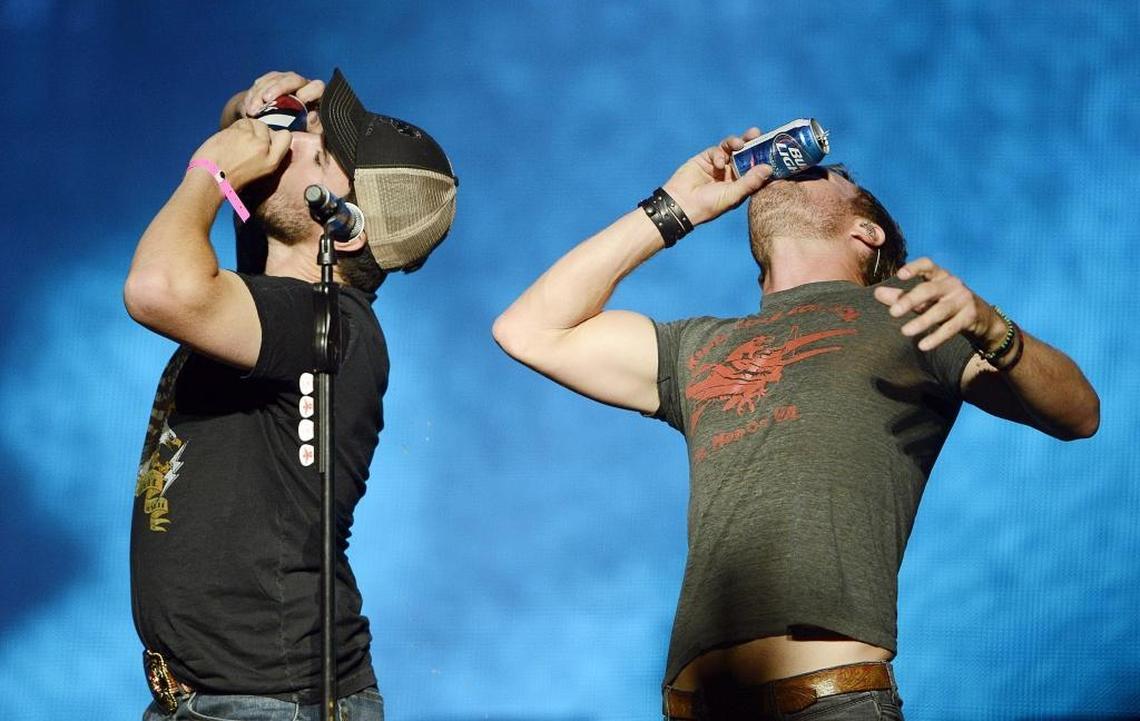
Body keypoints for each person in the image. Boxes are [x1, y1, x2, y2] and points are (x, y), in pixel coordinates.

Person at [492, 127, 1099, 720]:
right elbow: (529, 330)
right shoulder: (698, 346)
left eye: (818, 170)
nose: (784, 169)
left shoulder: (912, 314)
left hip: (829, 701)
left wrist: (994, 330)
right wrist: (674, 208)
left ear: (868, 230)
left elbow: (1080, 413)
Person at [124, 69, 456, 720]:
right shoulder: (270, 285)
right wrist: (262, 109)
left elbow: (156, 288)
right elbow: (236, 127)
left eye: (320, 150)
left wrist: (211, 172)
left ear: (346, 227)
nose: (296, 137)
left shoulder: (326, 323)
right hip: (215, 699)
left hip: (275, 703)